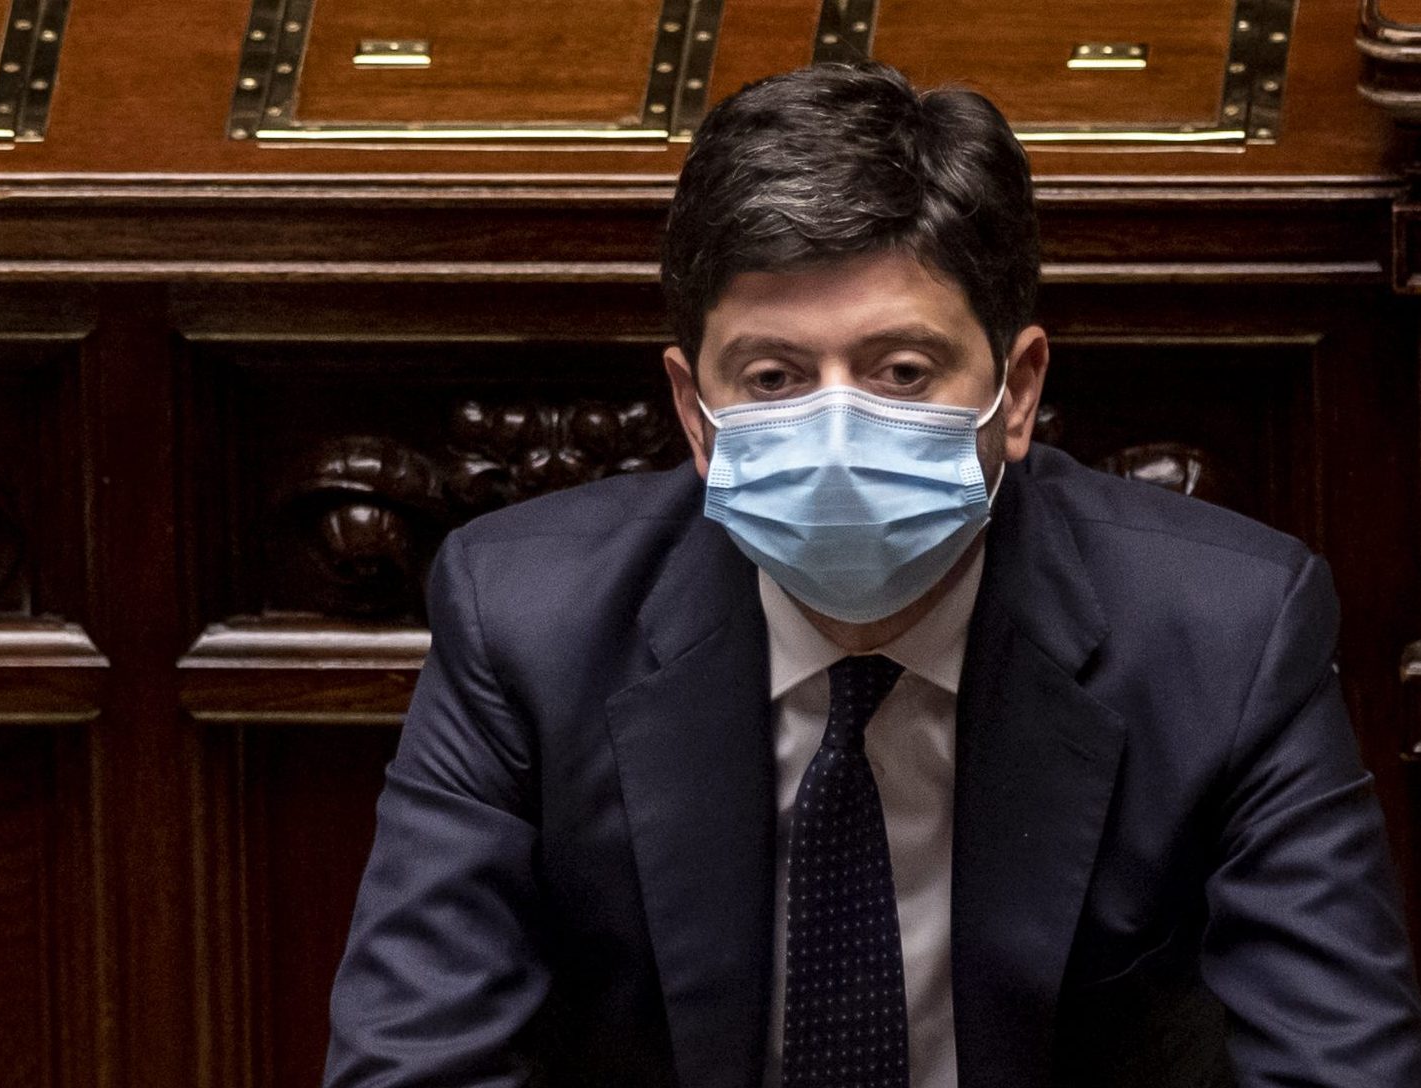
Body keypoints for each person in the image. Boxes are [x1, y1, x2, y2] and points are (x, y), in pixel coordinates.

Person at [324, 62, 1421, 1088]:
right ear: (693, 413)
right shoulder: (525, 623)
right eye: (773, 376)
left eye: (901, 370)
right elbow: (417, 1057)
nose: (836, 432)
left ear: (1017, 390)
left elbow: (1336, 1064)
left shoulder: (1228, 635)